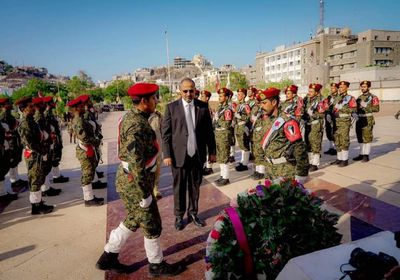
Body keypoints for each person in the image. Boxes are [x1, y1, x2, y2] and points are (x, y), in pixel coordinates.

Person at [96, 83, 182, 276]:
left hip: (131, 180)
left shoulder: (135, 117)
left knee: (134, 219)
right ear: (143, 101)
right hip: (135, 183)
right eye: (153, 98)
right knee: (151, 223)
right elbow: (136, 164)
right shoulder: (137, 125)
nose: (156, 101)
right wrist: (145, 194)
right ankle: (156, 265)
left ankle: (108, 257)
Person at [162, 78, 216, 230]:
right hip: (178, 156)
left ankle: (193, 213)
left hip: (197, 155)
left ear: (195, 90)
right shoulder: (171, 108)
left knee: (195, 186)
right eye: (185, 90)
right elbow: (165, 134)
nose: (188, 93)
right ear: (180, 91)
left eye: (191, 90)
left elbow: (208, 133)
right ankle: (179, 216)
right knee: (179, 187)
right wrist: (166, 155)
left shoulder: (203, 107)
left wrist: (212, 151)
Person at [258, 88, 309, 183]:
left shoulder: (287, 121)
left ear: (274, 102)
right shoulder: (267, 120)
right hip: (270, 169)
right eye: (261, 103)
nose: (261, 106)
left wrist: (301, 174)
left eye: (264, 103)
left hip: (284, 171)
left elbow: (299, 149)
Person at [16, 96, 54, 214]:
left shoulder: (31, 120)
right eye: (30, 107)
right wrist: (43, 150)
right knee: (35, 180)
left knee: (38, 178)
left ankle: (39, 201)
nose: (33, 108)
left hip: (38, 154)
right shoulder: (25, 123)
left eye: (33, 106)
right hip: (34, 155)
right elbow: (30, 143)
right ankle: (36, 206)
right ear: (23, 109)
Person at [69, 96, 104, 206]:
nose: (83, 107)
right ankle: (88, 199)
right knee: (87, 174)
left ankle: (90, 196)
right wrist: (96, 141)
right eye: (80, 106)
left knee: (89, 173)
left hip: (88, 148)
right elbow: (84, 138)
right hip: (85, 149)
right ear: (76, 109)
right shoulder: (78, 121)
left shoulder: (81, 119)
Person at [33, 97, 62, 197]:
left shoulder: (43, 115)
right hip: (43, 145)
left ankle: (47, 187)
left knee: (47, 165)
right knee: (43, 167)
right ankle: (44, 189)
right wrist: (48, 137)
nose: (45, 105)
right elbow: (40, 131)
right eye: (43, 103)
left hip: (48, 141)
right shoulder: (39, 116)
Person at [0, 97, 28, 190]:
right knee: (12, 161)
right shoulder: (4, 116)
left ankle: (17, 179)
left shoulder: (9, 114)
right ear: (4, 106)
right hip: (10, 141)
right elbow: (4, 130)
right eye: (8, 103)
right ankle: (13, 181)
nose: (11, 104)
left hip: (15, 141)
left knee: (16, 161)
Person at [43, 96, 70, 183]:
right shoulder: (46, 114)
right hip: (52, 139)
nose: (54, 103)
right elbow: (45, 127)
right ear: (48, 104)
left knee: (56, 157)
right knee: (53, 157)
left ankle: (57, 176)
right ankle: (55, 176)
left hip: (56, 138)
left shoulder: (50, 113)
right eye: (52, 102)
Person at [331, 81, 357, 167]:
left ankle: (345, 159)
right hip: (336, 121)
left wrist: (342, 111)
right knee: (337, 140)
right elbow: (333, 109)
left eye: (342, 87)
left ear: (347, 88)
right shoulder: (336, 98)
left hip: (344, 122)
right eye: (340, 87)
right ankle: (339, 158)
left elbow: (354, 110)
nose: (340, 89)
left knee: (344, 140)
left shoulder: (350, 98)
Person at [353, 81, 380, 162]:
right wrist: (354, 113)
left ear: (368, 87)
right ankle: (361, 154)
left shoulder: (373, 97)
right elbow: (356, 108)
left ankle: (366, 155)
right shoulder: (359, 98)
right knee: (360, 137)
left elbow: (377, 109)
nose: (363, 88)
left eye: (364, 87)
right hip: (359, 119)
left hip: (368, 120)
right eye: (362, 87)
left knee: (367, 138)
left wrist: (366, 107)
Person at [303, 83, 328, 172]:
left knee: (315, 143)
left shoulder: (322, 100)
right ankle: (310, 162)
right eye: (309, 91)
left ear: (317, 92)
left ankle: (315, 163)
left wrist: (313, 114)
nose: (309, 93)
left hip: (316, 124)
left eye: (311, 91)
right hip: (308, 123)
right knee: (308, 143)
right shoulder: (307, 99)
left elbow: (322, 114)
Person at [212, 87, 234, 187]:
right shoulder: (219, 108)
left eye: (221, 96)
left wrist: (218, 122)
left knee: (224, 156)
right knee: (220, 156)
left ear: (227, 97)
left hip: (224, 135)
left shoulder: (228, 109)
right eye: (219, 96)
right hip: (218, 135)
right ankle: (222, 175)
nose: (219, 98)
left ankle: (226, 177)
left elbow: (227, 124)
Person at [148, 107, 163, 199]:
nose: (155, 101)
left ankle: (155, 188)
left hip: (157, 147)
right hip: (145, 149)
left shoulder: (158, 115)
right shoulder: (137, 117)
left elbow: (164, 130)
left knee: (157, 168)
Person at [200, 90, 214, 175]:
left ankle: (209, 167)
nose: (201, 98)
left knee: (208, 150)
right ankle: (205, 166)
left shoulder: (207, 108)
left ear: (207, 98)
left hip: (207, 131)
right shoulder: (201, 107)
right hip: (202, 131)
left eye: (203, 96)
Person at [324, 83, 340, 155]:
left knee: (335, 132)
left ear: (337, 89)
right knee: (328, 132)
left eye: (333, 88)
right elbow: (326, 106)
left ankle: (336, 148)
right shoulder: (329, 97)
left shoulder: (339, 97)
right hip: (329, 116)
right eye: (331, 88)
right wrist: (327, 114)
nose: (332, 89)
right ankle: (331, 148)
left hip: (336, 117)